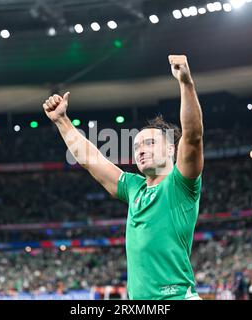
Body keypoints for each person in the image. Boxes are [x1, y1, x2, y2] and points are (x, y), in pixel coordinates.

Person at [42, 55, 204, 300]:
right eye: (136, 146)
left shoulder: (181, 185)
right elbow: (90, 159)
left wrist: (186, 83)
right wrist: (62, 121)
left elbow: (193, 136)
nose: (140, 149)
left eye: (149, 143)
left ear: (171, 148)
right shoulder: (133, 188)